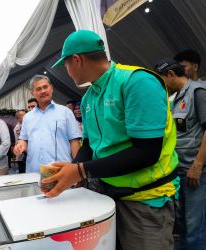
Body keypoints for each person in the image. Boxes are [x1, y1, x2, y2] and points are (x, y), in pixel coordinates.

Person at [45, 30, 179, 249]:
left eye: (66, 64)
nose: (66, 71)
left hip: (144, 200)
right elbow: (89, 144)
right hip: (106, 197)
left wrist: (80, 171)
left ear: (77, 60)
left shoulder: (137, 82)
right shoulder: (89, 96)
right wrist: (73, 168)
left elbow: (147, 152)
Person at [154, 59, 206, 250]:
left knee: (196, 229)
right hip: (180, 172)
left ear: (171, 75)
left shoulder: (197, 92)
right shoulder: (174, 99)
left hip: (197, 173)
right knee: (182, 226)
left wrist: (198, 165)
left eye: (162, 81)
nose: (162, 87)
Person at [13, 75, 81, 173]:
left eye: (45, 87)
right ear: (32, 93)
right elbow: (23, 139)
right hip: (34, 171)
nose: (43, 91)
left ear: (51, 88)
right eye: (38, 89)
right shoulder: (28, 117)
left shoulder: (65, 112)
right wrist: (19, 146)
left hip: (61, 171)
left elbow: (74, 142)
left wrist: (77, 169)